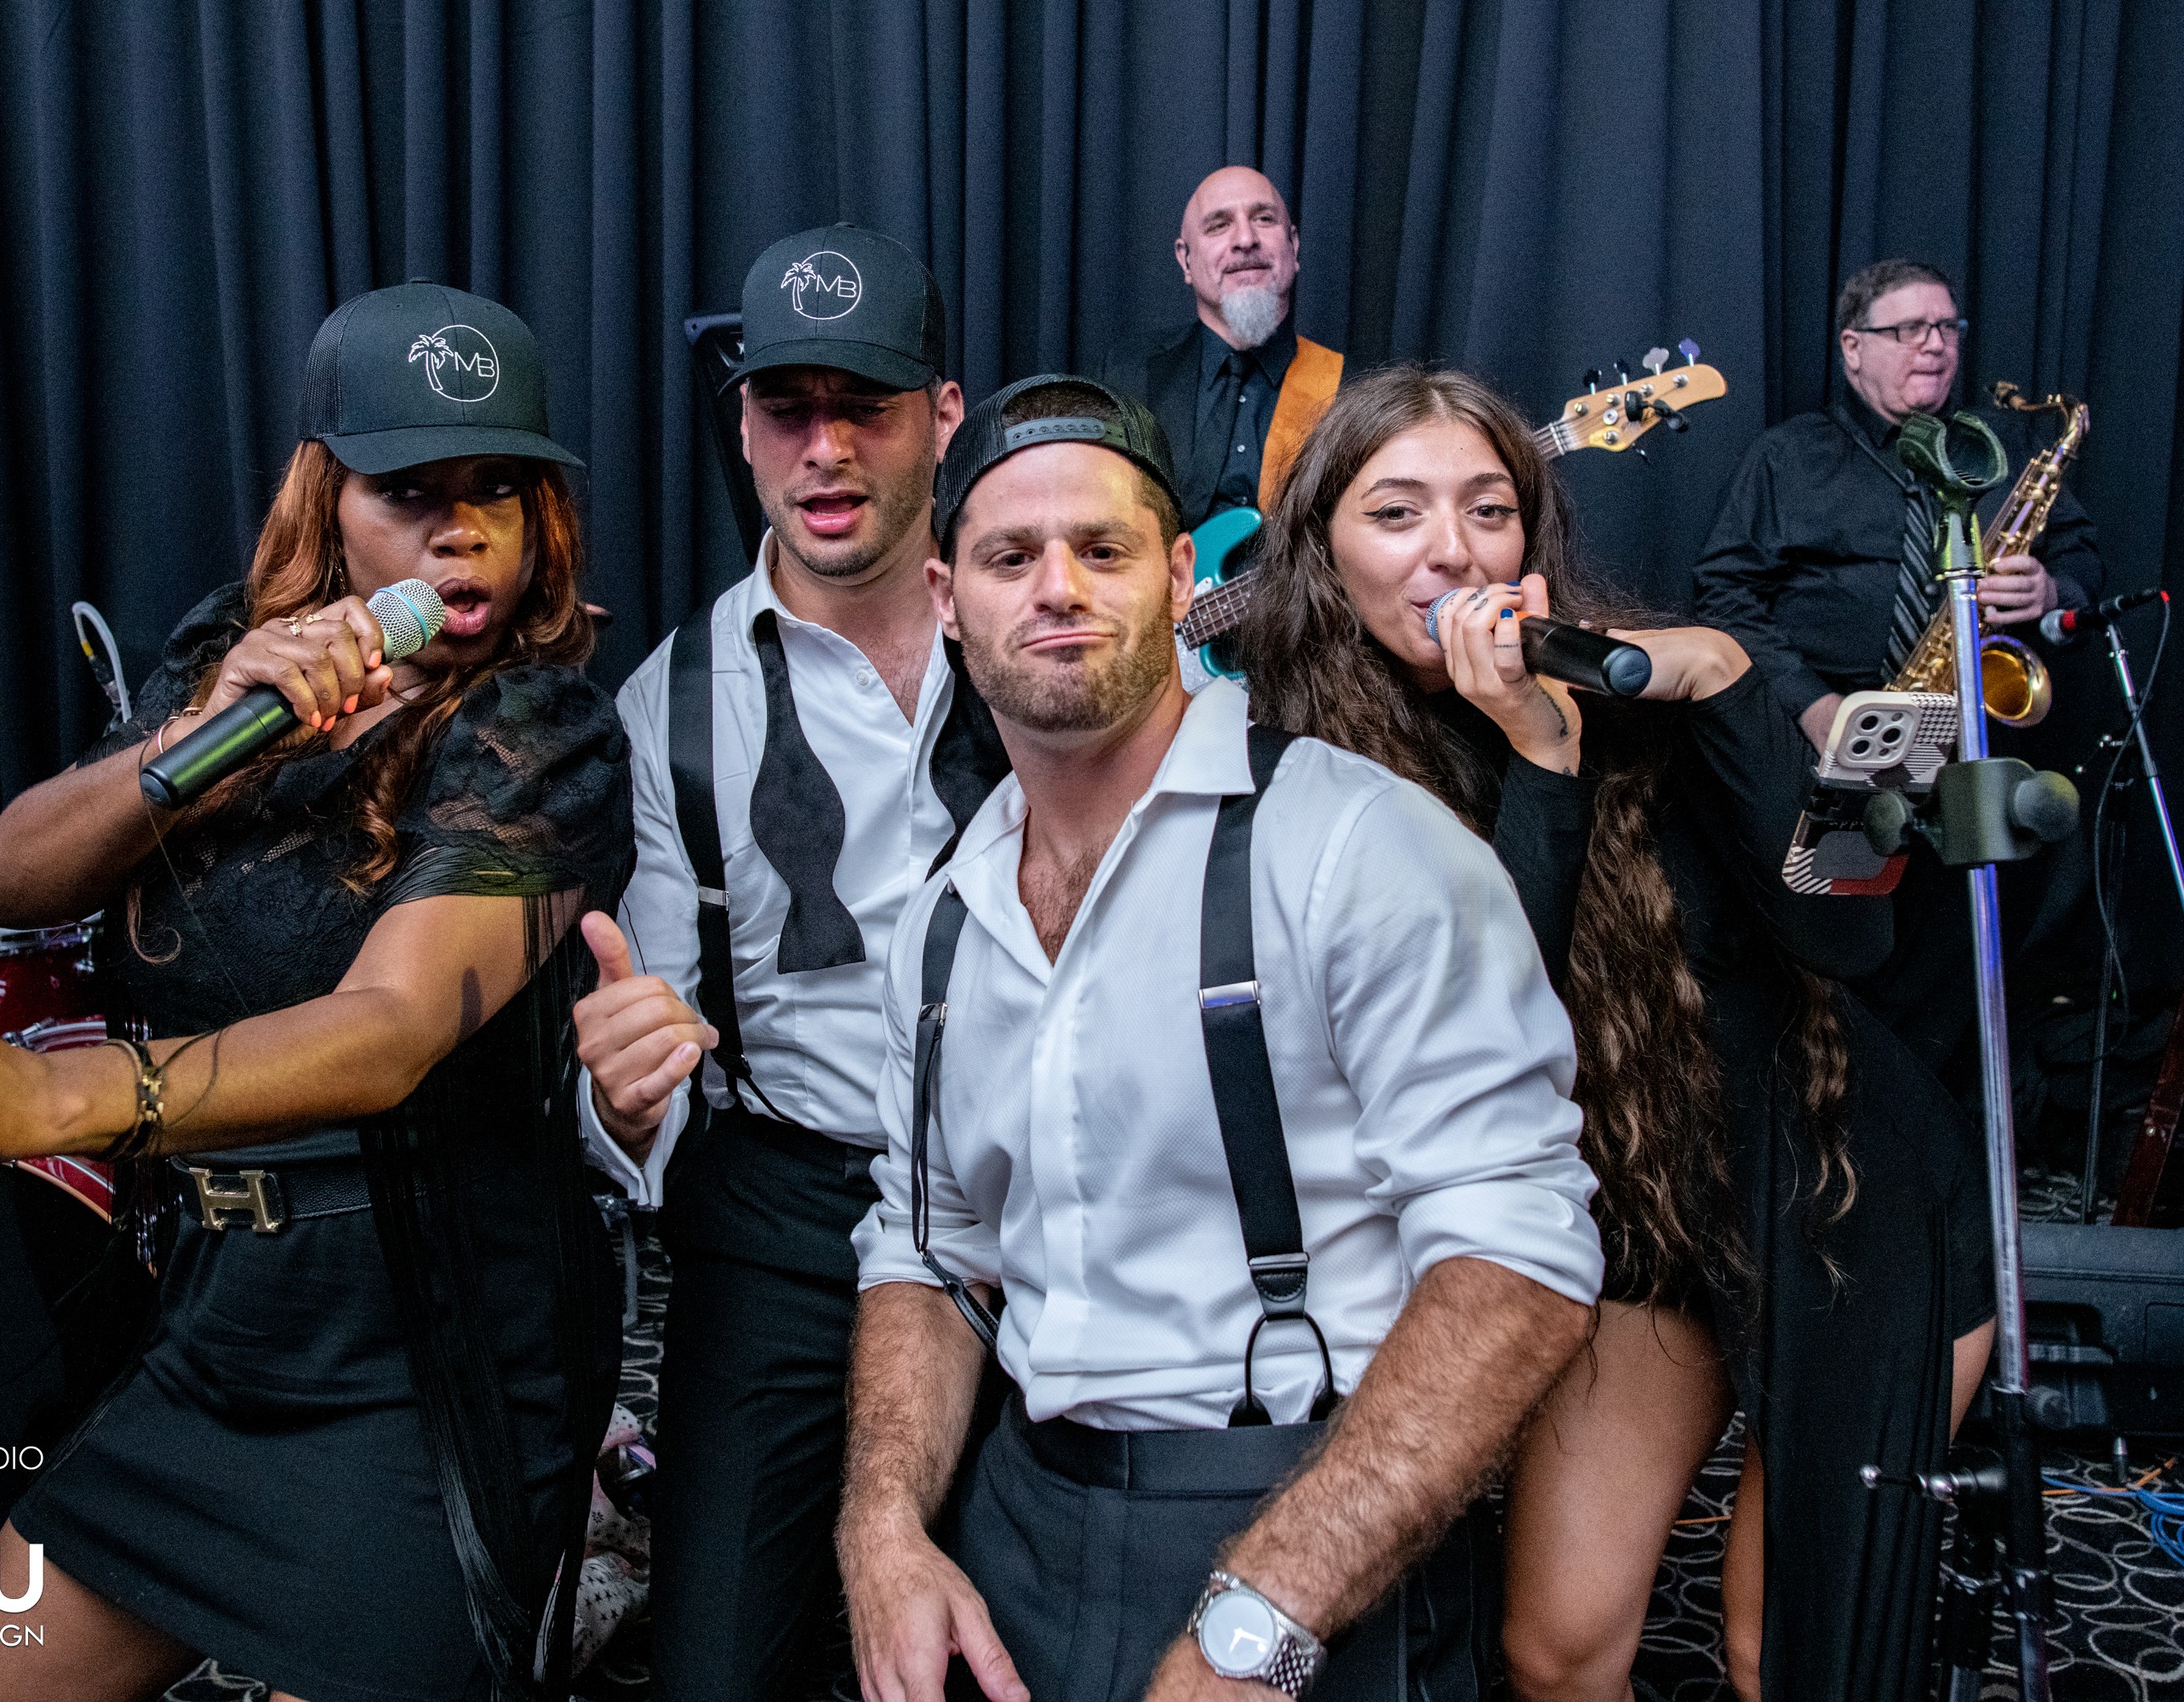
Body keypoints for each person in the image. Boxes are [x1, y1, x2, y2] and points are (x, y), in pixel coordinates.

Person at [0, 283, 632, 1702]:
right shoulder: (228, 664)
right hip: (213, 1321)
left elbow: (387, 1034)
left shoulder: (543, 728)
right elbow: (10, 879)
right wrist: (209, 736)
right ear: (327, 503)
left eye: (499, 486)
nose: (461, 530)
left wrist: (44, 1095)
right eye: (408, 491)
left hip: (428, 1353)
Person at [838, 374, 1603, 1702]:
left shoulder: (1357, 846)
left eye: (1104, 549)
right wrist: (884, 1525)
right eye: (1012, 558)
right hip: (1023, 1523)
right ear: (948, 600)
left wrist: (1258, 1627)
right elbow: (929, 1251)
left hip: (1307, 1522)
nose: (1059, 588)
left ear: (1183, 574)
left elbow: (1516, 1262)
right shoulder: (944, 922)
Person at [1240, 365, 1998, 1702]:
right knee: (1558, 1647)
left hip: (1840, 1190)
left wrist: (1734, 684)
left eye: (1488, 510)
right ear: (1323, 553)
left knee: (1784, 1649)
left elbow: (1850, 933)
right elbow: (1491, 1020)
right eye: (1397, 513)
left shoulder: (1636, 678)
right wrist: (1539, 758)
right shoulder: (1301, 768)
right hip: (1639, 1221)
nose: (1452, 551)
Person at [569, 222, 992, 1702]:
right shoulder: (670, 705)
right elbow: (650, 1045)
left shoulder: (1044, 626)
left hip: (1049, 1193)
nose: (825, 449)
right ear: (743, 427)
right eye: (786, 408)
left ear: (942, 415)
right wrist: (624, 1098)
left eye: (863, 406)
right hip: (789, 1216)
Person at [1692, 258, 2103, 1080]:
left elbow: (2082, 555)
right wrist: (1812, 704)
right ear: (1853, 347)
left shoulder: (1998, 451)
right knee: (1838, 955)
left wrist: (2051, 588)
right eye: (1909, 329)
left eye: (1947, 327)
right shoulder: (1789, 457)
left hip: (1965, 750)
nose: (1935, 345)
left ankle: (1932, 1124)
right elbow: (1722, 593)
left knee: (1950, 969)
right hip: (1833, 749)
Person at [1100, 167, 1343, 526]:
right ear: (1185, 260)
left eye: (1264, 219)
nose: (1245, 239)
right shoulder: (1129, 374)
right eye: (1218, 225)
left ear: (1293, 247)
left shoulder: (1349, 387)